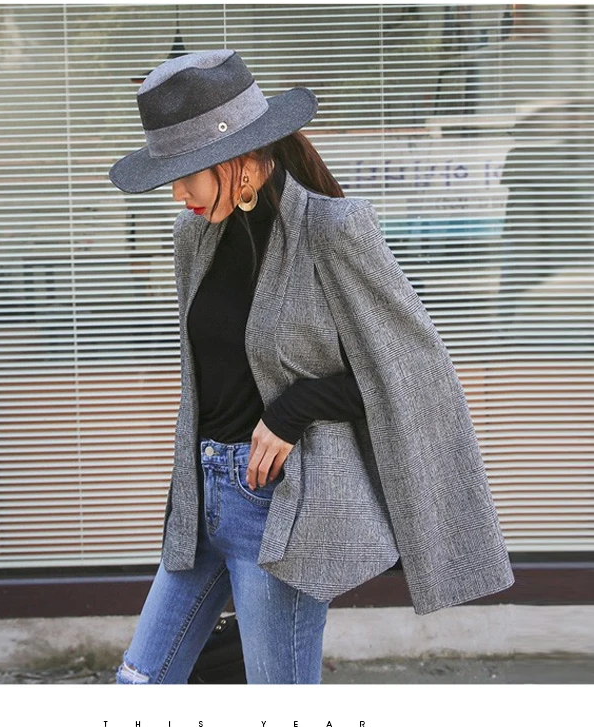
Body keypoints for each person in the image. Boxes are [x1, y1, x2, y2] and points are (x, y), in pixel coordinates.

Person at [108, 49, 514, 685]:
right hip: (202, 500)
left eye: (187, 173)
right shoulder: (195, 237)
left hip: (279, 508)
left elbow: (411, 373)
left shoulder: (333, 230)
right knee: (138, 685)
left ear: (243, 160)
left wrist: (294, 409)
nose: (178, 192)